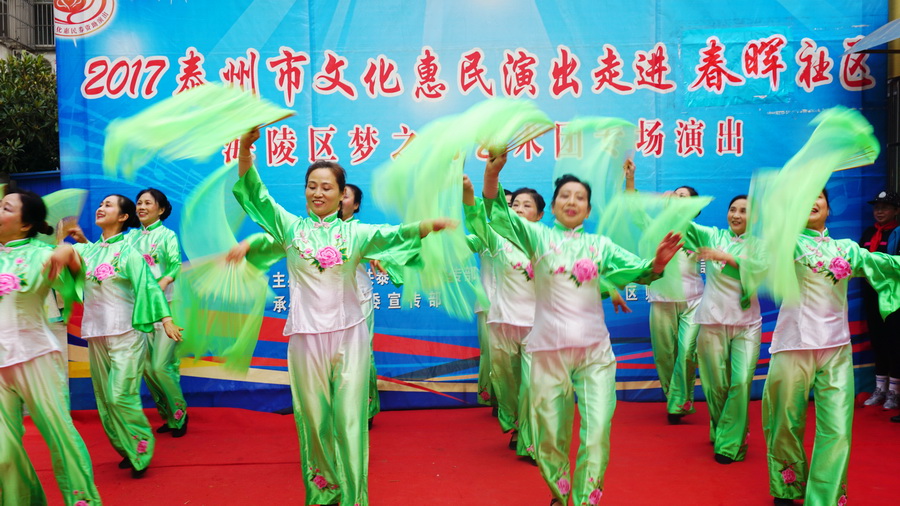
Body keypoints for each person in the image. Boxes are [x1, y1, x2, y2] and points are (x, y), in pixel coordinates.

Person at [233, 128, 455, 506]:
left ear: (341, 195)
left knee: (350, 422)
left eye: (327, 187)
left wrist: (426, 226)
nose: (318, 193)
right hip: (305, 337)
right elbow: (257, 195)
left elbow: (392, 236)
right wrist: (244, 148)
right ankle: (324, 492)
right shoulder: (290, 228)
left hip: (350, 336)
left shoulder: (356, 234)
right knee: (313, 421)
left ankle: (354, 497)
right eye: (311, 186)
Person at [483, 153, 683, 506]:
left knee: (597, 432)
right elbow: (498, 213)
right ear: (554, 206)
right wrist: (492, 174)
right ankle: (560, 494)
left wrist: (657, 264)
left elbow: (639, 269)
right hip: (548, 352)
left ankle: (585, 500)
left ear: (588, 210)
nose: (572, 201)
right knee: (549, 436)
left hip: (595, 354)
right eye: (565, 196)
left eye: (580, 197)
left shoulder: (600, 246)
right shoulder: (537, 236)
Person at [762, 189, 900, 505]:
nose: (812, 201)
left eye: (818, 197)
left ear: (827, 208)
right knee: (785, 422)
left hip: (836, 349)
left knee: (837, 429)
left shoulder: (846, 249)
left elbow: (884, 264)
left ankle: (824, 498)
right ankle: (786, 485)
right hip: (792, 346)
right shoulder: (787, 243)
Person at [55, 194, 181, 478]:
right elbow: (63, 268)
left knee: (119, 396)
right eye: (101, 204)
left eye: (108, 205)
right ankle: (126, 447)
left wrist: (166, 319)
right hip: (96, 333)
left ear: (124, 217)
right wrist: (63, 241)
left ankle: (141, 447)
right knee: (104, 399)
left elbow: (147, 286)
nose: (101, 208)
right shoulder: (88, 251)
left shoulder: (129, 251)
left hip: (126, 333)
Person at [0, 189, 101, 506]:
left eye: (6, 207)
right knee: (3, 452)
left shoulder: (42, 255)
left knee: (61, 436)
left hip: (36, 355)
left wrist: (69, 254)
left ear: (25, 224)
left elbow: (80, 285)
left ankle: (82, 501)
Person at [463, 176, 544, 458]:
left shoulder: (548, 241)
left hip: (537, 325)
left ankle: (532, 441)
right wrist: (467, 194)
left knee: (532, 385)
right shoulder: (495, 238)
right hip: (501, 323)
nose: (519, 209)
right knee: (507, 386)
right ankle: (517, 424)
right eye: (515, 204)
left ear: (539, 214)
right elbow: (476, 220)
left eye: (527, 205)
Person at [684, 195, 762, 464]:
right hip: (712, 321)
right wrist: (677, 204)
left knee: (741, 382)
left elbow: (760, 269)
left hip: (747, 324)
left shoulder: (760, 245)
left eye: (744, 211)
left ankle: (729, 444)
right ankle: (724, 430)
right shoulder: (712, 236)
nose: (736, 215)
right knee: (715, 385)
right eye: (733, 210)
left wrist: (726, 257)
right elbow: (682, 225)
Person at [625, 161, 704, 423]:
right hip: (662, 300)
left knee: (687, 352)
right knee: (665, 354)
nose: (676, 198)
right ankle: (674, 400)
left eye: (683, 197)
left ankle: (680, 400)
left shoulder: (701, 233)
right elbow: (635, 210)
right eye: (675, 195)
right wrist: (630, 180)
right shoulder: (656, 228)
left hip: (693, 301)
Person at [130, 188, 189, 437]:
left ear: (161, 209)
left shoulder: (167, 236)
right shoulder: (130, 238)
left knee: (160, 366)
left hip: (167, 306)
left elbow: (175, 264)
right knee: (146, 367)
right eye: (139, 203)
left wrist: (162, 283)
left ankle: (180, 414)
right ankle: (167, 415)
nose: (142, 207)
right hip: (141, 310)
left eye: (148, 203)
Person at [858, 190, 900, 410]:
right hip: (871, 296)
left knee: (895, 342)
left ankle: (894, 392)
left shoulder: (898, 233)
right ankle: (880, 389)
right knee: (877, 341)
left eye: (885, 207)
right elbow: (859, 261)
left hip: (893, 298)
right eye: (877, 207)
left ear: (896, 211)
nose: (879, 211)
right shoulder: (868, 233)